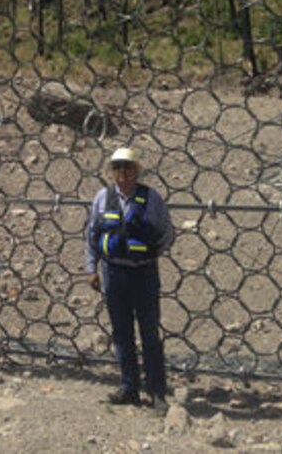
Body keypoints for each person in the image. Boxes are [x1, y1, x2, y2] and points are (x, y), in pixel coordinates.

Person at [85, 146, 174, 410]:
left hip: (143, 273)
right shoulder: (102, 198)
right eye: (117, 167)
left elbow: (166, 232)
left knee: (149, 333)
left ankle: (157, 391)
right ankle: (129, 387)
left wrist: (149, 255)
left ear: (136, 170)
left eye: (127, 167)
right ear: (111, 172)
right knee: (121, 332)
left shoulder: (152, 198)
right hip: (113, 272)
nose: (122, 173)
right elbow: (92, 235)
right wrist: (91, 268)